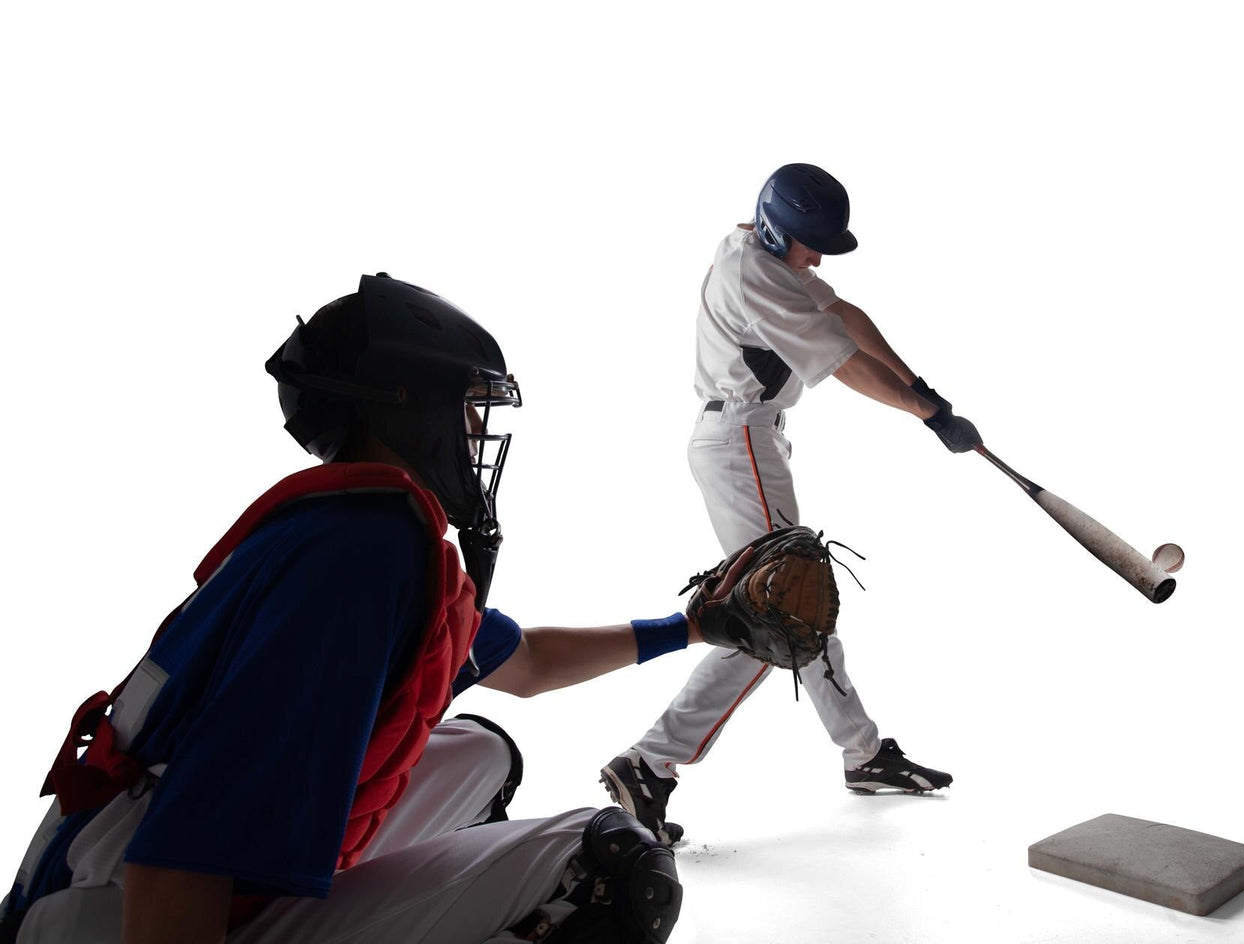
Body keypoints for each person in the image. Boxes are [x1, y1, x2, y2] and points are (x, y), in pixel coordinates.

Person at [1, 274, 697, 944]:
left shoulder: (360, 531)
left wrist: (694, 627)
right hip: (121, 913)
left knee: (482, 754)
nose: (477, 428)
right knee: (609, 872)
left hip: (121, 885)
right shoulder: (362, 556)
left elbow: (532, 662)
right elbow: (180, 852)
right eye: (465, 404)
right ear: (410, 407)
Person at [601, 164, 984, 844]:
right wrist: (921, 412)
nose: (816, 257)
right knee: (774, 616)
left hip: (750, 442)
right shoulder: (757, 275)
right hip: (738, 440)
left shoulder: (765, 252)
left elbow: (844, 316)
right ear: (779, 231)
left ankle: (861, 752)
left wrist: (918, 384)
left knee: (794, 610)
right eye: (810, 244)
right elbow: (840, 363)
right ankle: (650, 762)